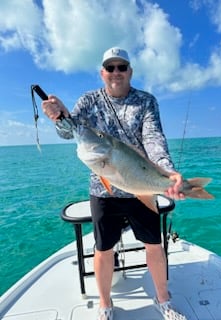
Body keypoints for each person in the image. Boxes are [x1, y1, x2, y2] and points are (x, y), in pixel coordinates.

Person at [42, 47, 187, 320]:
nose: (116, 72)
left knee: (154, 245)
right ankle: (105, 305)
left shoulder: (146, 101)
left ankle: (164, 300)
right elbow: (71, 132)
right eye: (110, 68)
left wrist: (167, 173)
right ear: (102, 73)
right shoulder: (88, 101)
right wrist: (58, 117)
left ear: (130, 71)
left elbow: (154, 139)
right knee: (103, 248)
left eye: (122, 67)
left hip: (141, 186)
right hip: (103, 189)